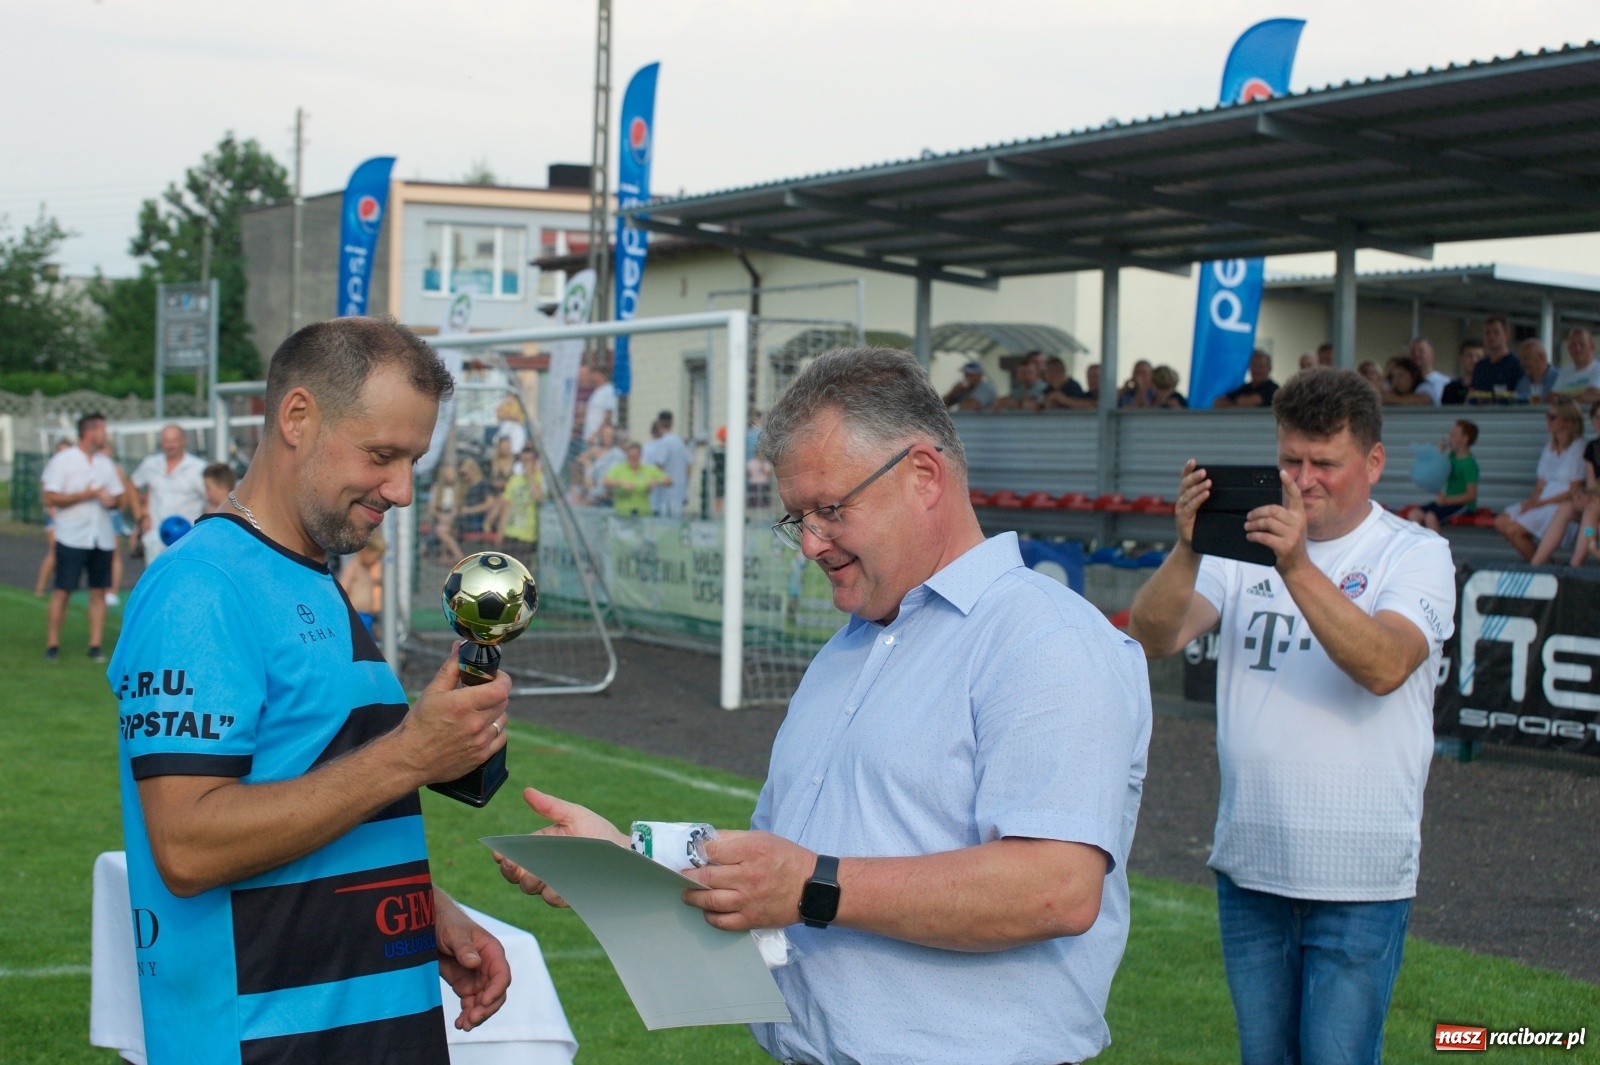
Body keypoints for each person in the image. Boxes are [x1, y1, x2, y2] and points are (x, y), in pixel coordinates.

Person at [497, 346, 1150, 1063]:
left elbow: (1055, 887)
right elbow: (778, 869)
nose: (809, 542)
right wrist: (625, 859)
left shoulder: (1043, 637)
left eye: (830, 509)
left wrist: (815, 885)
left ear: (923, 475)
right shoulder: (855, 644)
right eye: (796, 517)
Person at [107, 317, 512, 1064]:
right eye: (382, 455)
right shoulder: (200, 587)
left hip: (377, 1022)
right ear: (297, 416)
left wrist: (426, 906)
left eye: (414, 460)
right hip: (270, 1038)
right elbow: (187, 844)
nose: (400, 488)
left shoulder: (313, 574)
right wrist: (410, 754)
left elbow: (315, 782)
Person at [1127, 368, 1455, 1065]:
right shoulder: (1244, 543)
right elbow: (1155, 634)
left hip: (1359, 879)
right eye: (1290, 459)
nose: (1303, 479)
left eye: (1325, 463)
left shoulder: (1416, 552)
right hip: (1252, 867)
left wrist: (1298, 565)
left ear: (1373, 462)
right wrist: (1189, 546)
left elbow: (1384, 665)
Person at [42, 413, 124, 661]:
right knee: (63, 590)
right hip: (72, 536)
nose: (105, 435)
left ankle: (95, 645)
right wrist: (85, 495)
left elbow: (119, 498)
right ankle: (53, 644)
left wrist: (111, 502)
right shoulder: (63, 461)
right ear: (90, 432)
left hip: (101, 536)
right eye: (102, 429)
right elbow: (50, 498)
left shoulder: (105, 464)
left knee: (98, 591)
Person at [1493, 396, 1587, 560]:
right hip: (1543, 501)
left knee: (1514, 530)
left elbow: (1574, 489)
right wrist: (1532, 502)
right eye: (1547, 416)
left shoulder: (1578, 447)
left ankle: (1541, 567)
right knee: (1501, 522)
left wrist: (1539, 503)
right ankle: (1546, 565)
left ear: (1566, 421)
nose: (1547, 421)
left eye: (1552, 417)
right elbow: (1540, 484)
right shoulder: (1549, 447)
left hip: (1559, 504)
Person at [132, 424, 208, 563]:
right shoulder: (151, 464)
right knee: (155, 581)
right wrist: (141, 515)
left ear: (184, 441)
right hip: (156, 538)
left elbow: (211, 499)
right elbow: (132, 485)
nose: (170, 445)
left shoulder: (198, 467)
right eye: (166, 441)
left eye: (174, 441)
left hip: (187, 538)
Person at [1415, 419, 1480, 533]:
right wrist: (1440, 452)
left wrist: (1447, 500)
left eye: (1454, 434)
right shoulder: (1451, 457)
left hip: (1463, 505)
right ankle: (1422, 549)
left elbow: (1471, 496)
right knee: (1414, 514)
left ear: (1465, 439)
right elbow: (1433, 474)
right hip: (1448, 501)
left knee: (1431, 517)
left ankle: (1440, 550)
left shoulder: (1469, 464)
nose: (1449, 436)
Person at [642, 410, 693, 517]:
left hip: (665, 494)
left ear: (659, 424)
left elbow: (658, 467)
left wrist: (649, 486)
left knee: (665, 526)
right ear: (672, 424)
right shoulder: (679, 441)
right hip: (679, 491)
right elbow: (689, 464)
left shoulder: (663, 442)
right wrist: (685, 486)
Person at [500, 442, 543, 571]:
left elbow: (538, 497)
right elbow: (507, 506)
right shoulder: (514, 480)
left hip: (528, 534)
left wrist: (530, 475)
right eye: (524, 460)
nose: (526, 463)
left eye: (529, 460)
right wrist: (500, 529)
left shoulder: (540, 479)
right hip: (511, 532)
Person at [603, 441, 670, 517]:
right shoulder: (619, 468)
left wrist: (657, 482)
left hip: (643, 512)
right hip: (623, 513)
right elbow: (605, 482)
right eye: (630, 456)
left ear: (640, 456)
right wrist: (621, 483)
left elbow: (669, 481)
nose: (632, 459)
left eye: (635, 456)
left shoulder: (648, 469)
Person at [338, 528, 384, 637]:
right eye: (375, 557)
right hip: (356, 615)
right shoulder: (353, 568)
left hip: (367, 615)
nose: (376, 561)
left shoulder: (367, 569)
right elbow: (342, 589)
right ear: (366, 551)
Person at [1470, 315, 1522, 400]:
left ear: (1506, 335)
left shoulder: (1516, 365)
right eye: (1487, 332)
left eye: (1496, 332)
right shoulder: (1480, 367)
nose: (1491, 336)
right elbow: (1472, 395)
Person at [1213, 350, 1278, 408]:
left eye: (1260, 366)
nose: (1257, 370)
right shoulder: (1244, 388)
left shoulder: (1274, 390)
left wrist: (1233, 405)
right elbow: (1217, 403)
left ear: (1269, 369)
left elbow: (1248, 402)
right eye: (1254, 366)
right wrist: (1238, 405)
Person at [429, 460, 464, 560]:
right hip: (440, 516)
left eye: (452, 473)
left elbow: (457, 508)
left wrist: (449, 517)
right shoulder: (436, 488)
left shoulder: (459, 488)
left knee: (441, 530)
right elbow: (432, 508)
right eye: (448, 473)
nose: (450, 475)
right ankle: (453, 555)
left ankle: (457, 555)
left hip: (456, 519)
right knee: (442, 529)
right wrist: (440, 516)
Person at [1554, 326, 1600, 403]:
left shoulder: (1597, 369)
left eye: (1582, 344)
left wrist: (1563, 401)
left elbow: (1593, 395)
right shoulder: (1564, 372)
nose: (1577, 349)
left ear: (1592, 347)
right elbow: (1552, 397)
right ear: (1568, 348)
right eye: (1573, 345)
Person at [1409, 338, 1451, 405]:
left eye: (1421, 351)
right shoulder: (1404, 382)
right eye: (1413, 351)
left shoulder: (1445, 382)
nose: (1416, 354)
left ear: (1432, 355)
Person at [1443, 337, 1483, 405]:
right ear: (1461, 358)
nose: (1474, 360)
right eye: (1469, 356)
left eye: (1478, 357)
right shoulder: (1451, 389)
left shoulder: (1488, 389)